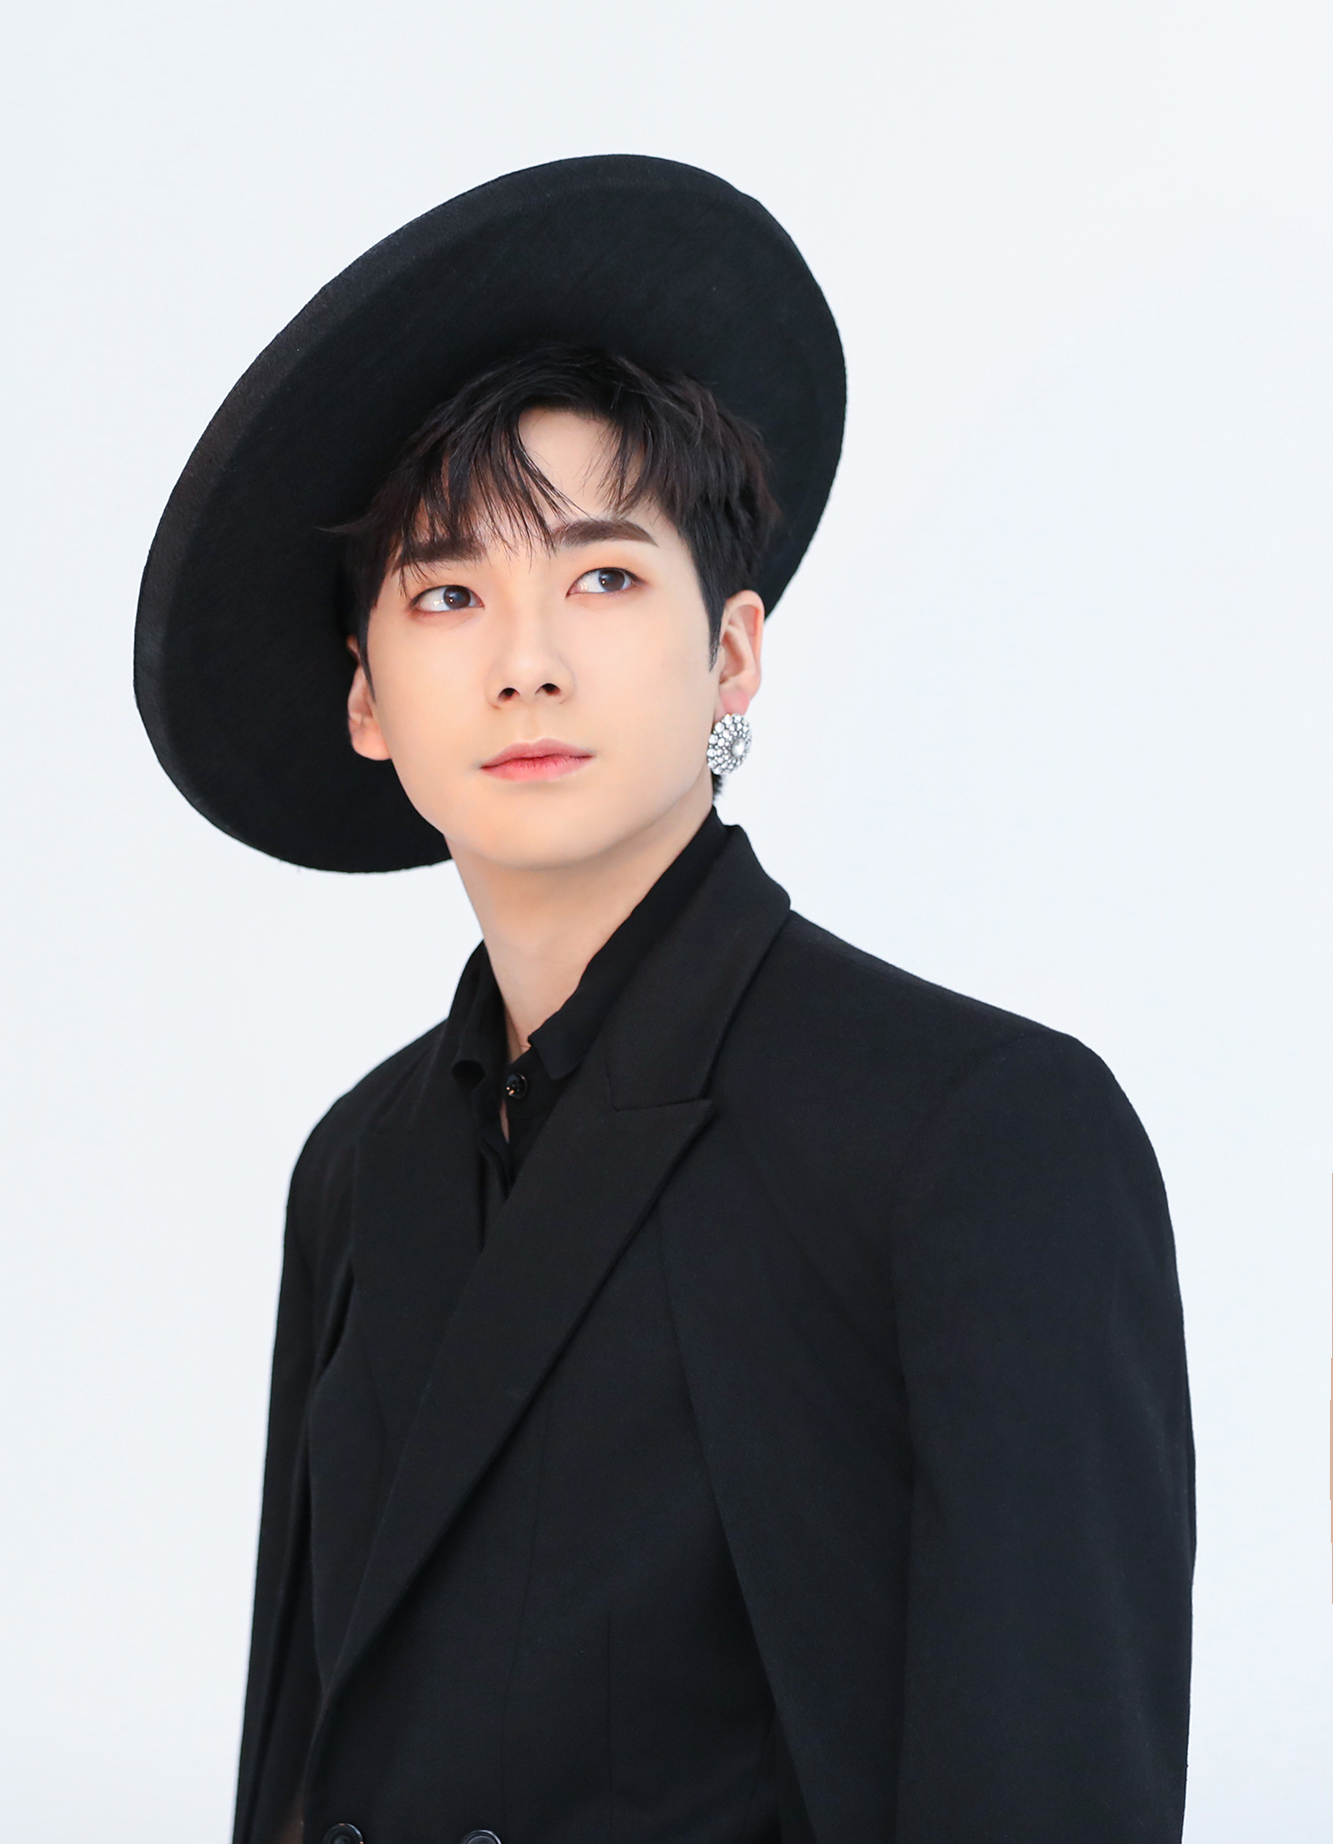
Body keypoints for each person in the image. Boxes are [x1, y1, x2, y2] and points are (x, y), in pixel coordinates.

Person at [135, 156, 1194, 1844]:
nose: (526, 661)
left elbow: (1047, 1780)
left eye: (605, 578)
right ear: (367, 702)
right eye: (446, 594)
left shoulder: (980, 1133)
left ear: (733, 653)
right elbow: (300, 1758)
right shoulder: (357, 1164)